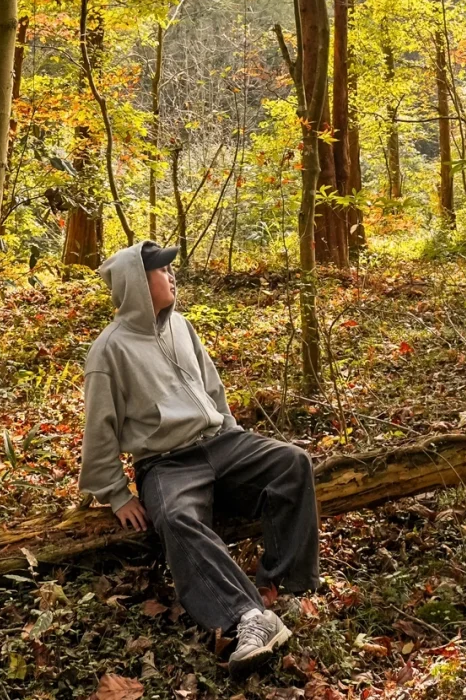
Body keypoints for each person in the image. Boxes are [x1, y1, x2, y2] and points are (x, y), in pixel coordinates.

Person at [79, 240, 320, 677]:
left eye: (172, 270)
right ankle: (248, 619)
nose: (172, 277)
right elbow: (99, 430)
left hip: (220, 442)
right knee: (174, 519)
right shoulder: (108, 351)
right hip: (166, 463)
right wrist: (116, 494)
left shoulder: (181, 326)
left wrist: (236, 438)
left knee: (292, 462)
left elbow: (213, 389)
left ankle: (276, 584)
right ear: (136, 282)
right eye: (162, 271)